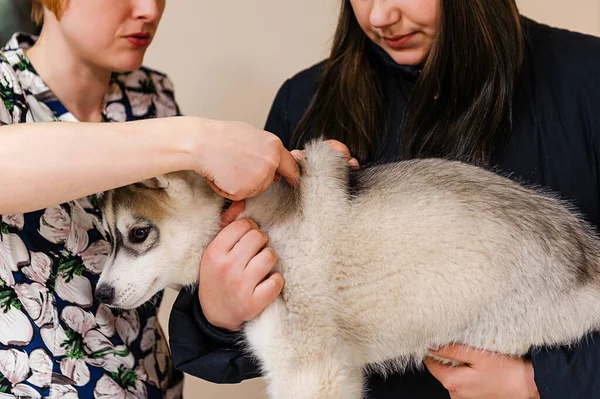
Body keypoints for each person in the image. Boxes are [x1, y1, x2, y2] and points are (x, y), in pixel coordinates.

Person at [168, 0, 600, 398]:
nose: (379, 16)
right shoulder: (305, 100)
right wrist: (218, 314)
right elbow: (289, 337)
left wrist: (542, 381)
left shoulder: (587, 78)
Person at [0, 0, 303, 397]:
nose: (148, 10)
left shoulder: (151, 94)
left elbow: (193, 248)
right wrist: (193, 139)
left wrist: (299, 186)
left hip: (153, 383)